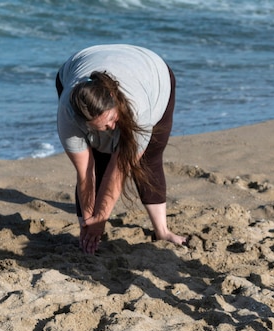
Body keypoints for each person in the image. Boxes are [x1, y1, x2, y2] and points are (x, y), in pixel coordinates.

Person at [56, 44, 188, 254]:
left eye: (111, 119)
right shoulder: (68, 115)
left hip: (152, 71)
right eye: (101, 127)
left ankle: (162, 231)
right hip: (79, 64)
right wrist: (90, 223)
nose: (110, 128)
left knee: (149, 158)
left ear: (115, 102)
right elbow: (85, 173)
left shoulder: (139, 107)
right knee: (98, 158)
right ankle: (87, 231)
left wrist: (102, 218)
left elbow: (120, 169)